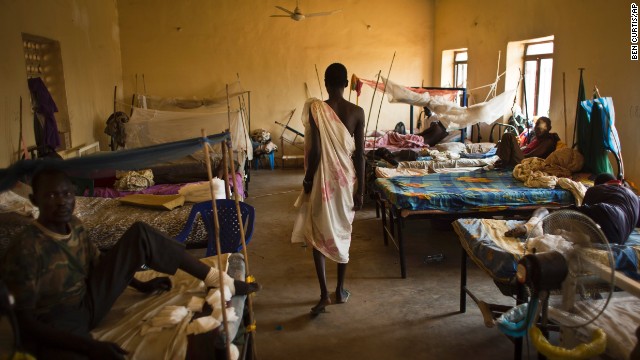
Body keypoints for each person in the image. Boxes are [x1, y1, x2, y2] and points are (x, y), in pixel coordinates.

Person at [0, 168, 260, 359]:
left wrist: (137, 284)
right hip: (56, 320)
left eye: (67, 193)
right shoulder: (25, 249)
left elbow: (99, 262)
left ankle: (217, 278)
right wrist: (91, 346)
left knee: (140, 233)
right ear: (34, 201)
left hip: (89, 299)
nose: (62, 201)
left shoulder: (75, 226)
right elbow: (25, 323)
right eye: (51, 196)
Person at [291, 63, 365, 316]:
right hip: (346, 183)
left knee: (318, 233)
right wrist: (362, 190)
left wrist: (309, 179)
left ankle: (323, 294)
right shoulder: (357, 111)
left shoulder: (317, 109)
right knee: (344, 231)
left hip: (323, 181)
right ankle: (340, 290)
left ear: (325, 82)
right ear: (346, 84)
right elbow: (361, 156)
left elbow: (317, 151)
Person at [506, 173, 640, 245]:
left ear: (602, 184)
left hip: (605, 213)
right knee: (587, 232)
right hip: (618, 237)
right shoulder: (634, 197)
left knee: (550, 212)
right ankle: (570, 235)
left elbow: (582, 214)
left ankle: (531, 225)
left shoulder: (597, 189)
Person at [495, 116, 560, 168]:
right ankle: (504, 161)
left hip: (527, 162)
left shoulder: (548, 141)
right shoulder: (536, 138)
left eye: (540, 130)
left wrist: (516, 153)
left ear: (549, 129)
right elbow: (527, 148)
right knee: (501, 144)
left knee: (508, 136)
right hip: (522, 158)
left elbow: (533, 155)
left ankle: (504, 162)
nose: (537, 132)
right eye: (536, 128)